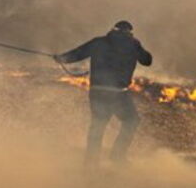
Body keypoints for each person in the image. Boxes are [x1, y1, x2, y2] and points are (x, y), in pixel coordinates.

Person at [54, 20, 152, 163]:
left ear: (112, 30)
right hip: (119, 93)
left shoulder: (98, 42)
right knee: (131, 121)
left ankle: (91, 163)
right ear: (129, 32)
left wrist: (60, 58)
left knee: (98, 126)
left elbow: (76, 54)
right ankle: (117, 155)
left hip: (98, 91)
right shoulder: (133, 44)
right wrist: (136, 46)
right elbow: (147, 61)